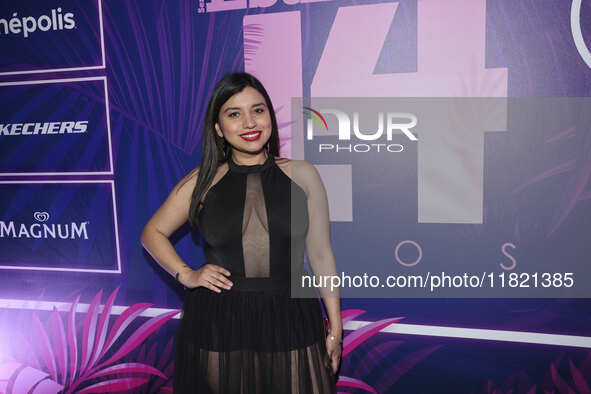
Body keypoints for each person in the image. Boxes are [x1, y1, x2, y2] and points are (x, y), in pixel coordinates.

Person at [141, 71, 342, 393]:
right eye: (234, 114)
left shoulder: (303, 175)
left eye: (258, 110)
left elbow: (320, 253)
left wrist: (335, 329)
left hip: (291, 313)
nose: (250, 122)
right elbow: (153, 232)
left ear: (270, 118)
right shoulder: (202, 181)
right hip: (220, 320)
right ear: (219, 128)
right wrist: (187, 275)